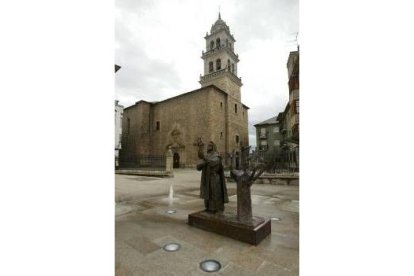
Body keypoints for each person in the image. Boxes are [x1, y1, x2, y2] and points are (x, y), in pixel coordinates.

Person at [196, 139, 229, 213]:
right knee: (207, 193)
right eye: (208, 145)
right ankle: (208, 207)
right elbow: (198, 167)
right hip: (206, 178)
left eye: (210, 145)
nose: (208, 147)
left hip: (214, 178)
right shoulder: (207, 156)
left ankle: (215, 208)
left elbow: (213, 163)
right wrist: (200, 150)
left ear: (213, 147)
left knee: (214, 193)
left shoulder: (217, 156)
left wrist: (204, 159)